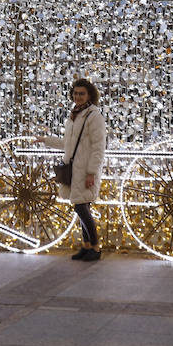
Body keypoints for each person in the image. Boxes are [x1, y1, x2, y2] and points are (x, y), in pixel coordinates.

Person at [39, 78, 107, 261]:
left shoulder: (94, 116)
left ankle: (95, 246)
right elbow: (67, 144)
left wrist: (92, 172)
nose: (78, 97)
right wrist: (46, 140)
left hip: (84, 169)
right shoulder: (75, 114)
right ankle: (87, 246)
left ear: (90, 95)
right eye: (76, 93)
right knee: (80, 206)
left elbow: (99, 147)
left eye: (82, 93)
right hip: (74, 168)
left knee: (81, 207)